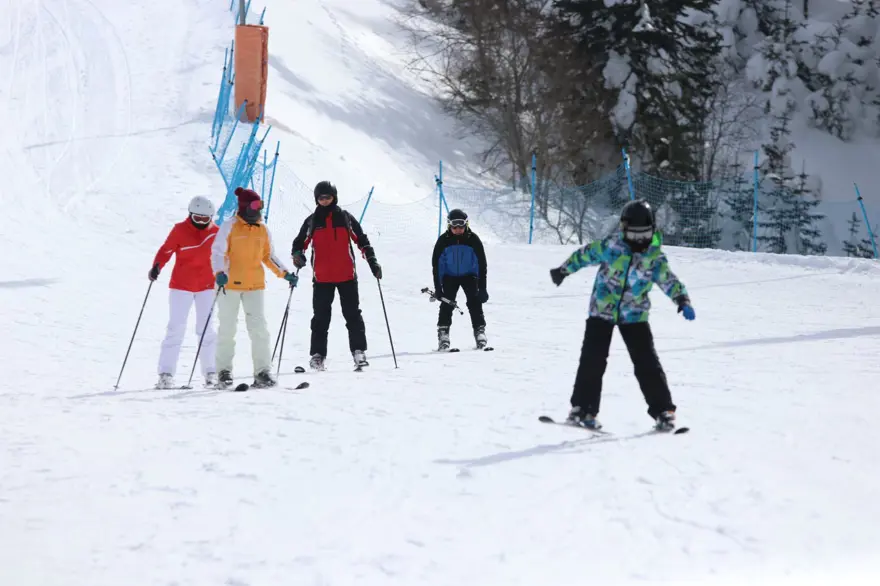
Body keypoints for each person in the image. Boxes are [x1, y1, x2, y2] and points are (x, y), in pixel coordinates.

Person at [548, 198, 695, 431]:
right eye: (635, 235)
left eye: (645, 234)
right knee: (592, 360)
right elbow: (585, 254)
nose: (640, 240)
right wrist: (563, 270)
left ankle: (663, 411)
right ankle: (583, 409)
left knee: (647, 362)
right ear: (624, 229)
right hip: (601, 310)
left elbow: (668, 280)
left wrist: (682, 299)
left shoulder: (654, 257)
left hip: (635, 315)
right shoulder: (611, 247)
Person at [211, 187, 298, 388]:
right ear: (244, 206)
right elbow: (218, 253)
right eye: (255, 205)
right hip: (229, 285)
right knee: (227, 329)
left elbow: (268, 256)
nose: (259, 209)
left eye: (261, 205)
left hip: (255, 286)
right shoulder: (230, 226)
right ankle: (224, 372)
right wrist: (219, 272)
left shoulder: (262, 229)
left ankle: (262, 372)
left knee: (259, 330)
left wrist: (285, 273)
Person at [290, 181, 382, 371]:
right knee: (320, 318)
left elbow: (362, 240)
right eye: (321, 198)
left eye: (328, 197)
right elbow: (299, 242)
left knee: (352, 315)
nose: (324, 201)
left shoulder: (345, 218)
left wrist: (372, 261)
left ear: (334, 197)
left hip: (346, 275)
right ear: (316, 199)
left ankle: (358, 352)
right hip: (322, 278)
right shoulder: (312, 221)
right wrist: (297, 255)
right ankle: (318, 355)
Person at [150, 196, 220, 389]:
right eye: (197, 218)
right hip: (181, 286)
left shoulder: (216, 232)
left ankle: (211, 372)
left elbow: (224, 255)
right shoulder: (180, 230)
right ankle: (166, 374)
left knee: (206, 330)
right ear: (190, 215)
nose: (201, 222)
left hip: (207, 286)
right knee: (175, 328)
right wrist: (157, 266)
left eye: (205, 219)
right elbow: (166, 250)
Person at [432, 208, 489, 350]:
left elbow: (482, 264)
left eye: (461, 225)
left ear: (466, 224)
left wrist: (482, 287)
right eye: (454, 226)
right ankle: (443, 334)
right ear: (449, 225)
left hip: (469, 275)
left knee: (474, 302)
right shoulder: (443, 241)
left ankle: (479, 331)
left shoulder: (473, 240)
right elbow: (437, 266)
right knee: (447, 303)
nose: (458, 229)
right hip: (450, 276)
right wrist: (438, 288)